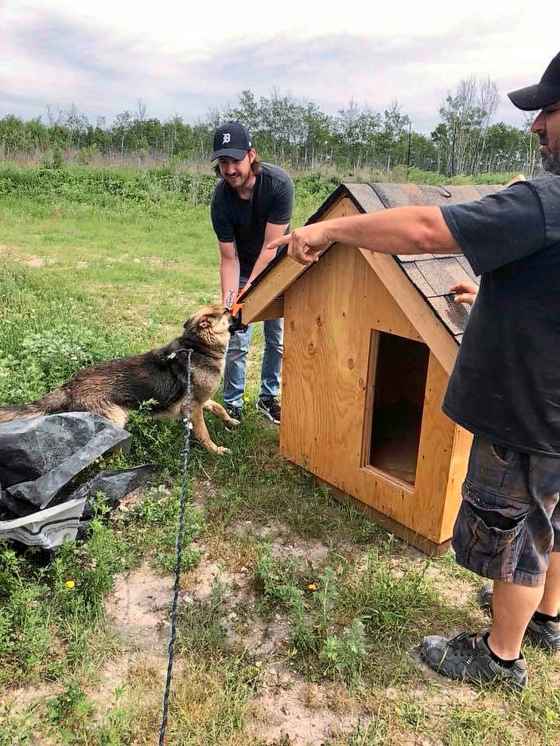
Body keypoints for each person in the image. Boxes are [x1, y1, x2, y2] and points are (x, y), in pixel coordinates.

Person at [266, 52, 560, 690]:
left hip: (529, 412)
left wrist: (334, 232)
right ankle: (548, 620)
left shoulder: (545, 201)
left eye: (549, 111)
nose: (536, 125)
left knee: (513, 532)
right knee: (550, 517)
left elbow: (429, 228)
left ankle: (498, 657)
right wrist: (488, 303)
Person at [210, 121, 294, 424]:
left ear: (251, 155)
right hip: (243, 267)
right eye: (223, 162)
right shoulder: (220, 199)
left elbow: (271, 249)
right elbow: (228, 259)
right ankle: (232, 404)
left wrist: (250, 295)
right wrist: (232, 303)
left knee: (276, 337)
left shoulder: (278, 185)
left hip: (278, 266)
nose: (230, 169)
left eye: (235, 160)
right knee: (237, 337)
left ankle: (268, 397)